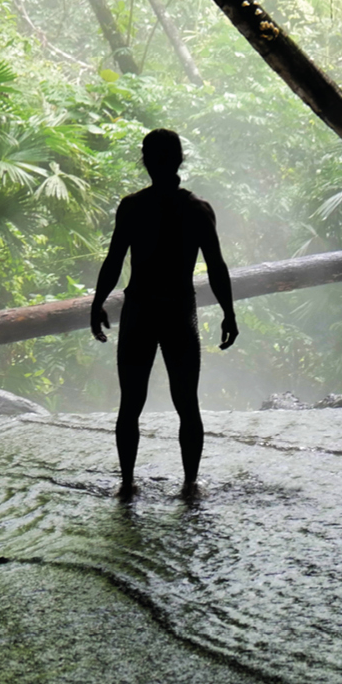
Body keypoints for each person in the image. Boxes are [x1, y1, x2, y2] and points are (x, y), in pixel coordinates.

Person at [90, 129, 238, 498]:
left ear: (146, 160)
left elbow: (114, 262)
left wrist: (98, 303)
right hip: (178, 312)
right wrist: (228, 312)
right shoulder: (196, 210)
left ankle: (126, 485)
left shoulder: (133, 207)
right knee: (187, 402)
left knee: (131, 403)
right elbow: (216, 267)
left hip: (140, 310)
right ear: (179, 160)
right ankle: (190, 485)